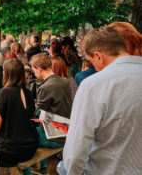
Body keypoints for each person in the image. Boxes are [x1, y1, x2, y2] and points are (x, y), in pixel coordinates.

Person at [57, 27, 142, 175]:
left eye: (91, 62)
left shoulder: (94, 84)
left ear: (98, 56)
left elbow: (77, 149)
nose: (95, 69)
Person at [0, 59, 39, 174]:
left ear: (7, 73)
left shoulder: (5, 92)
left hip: (12, 149)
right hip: (30, 146)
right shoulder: (28, 92)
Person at [31, 53, 72, 174]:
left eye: (33, 69)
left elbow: (36, 114)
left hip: (54, 137)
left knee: (19, 136)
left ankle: (26, 171)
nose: (34, 73)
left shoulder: (46, 87)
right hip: (66, 131)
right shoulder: (63, 82)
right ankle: (43, 168)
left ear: (39, 68)